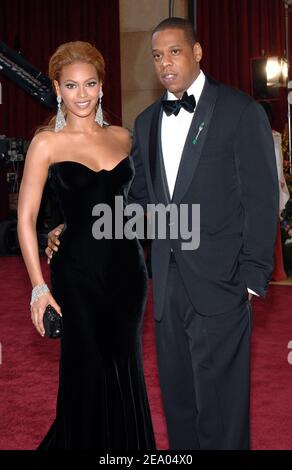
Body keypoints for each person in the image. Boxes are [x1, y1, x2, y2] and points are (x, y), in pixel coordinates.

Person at [47, 19, 279, 450]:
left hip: (223, 284)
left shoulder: (239, 111)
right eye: (156, 56)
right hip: (165, 287)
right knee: (180, 404)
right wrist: (81, 225)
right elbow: (138, 202)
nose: (165, 63)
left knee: (223, 410)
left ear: (197, 52)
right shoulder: (148, 121)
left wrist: (251, 278)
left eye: (174, 51)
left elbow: (263, 199)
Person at [17, 41, 155, 450]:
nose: (82, 94)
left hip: (128, 273)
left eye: (90, 84)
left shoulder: (123, 138)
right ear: (57, 89)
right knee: (87, 370)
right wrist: (38, 289)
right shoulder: (46, 144)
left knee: (125, 366)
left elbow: (133, 207)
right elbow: (25, 219)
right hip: (76, 276)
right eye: (72, 86)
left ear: (101, 87)